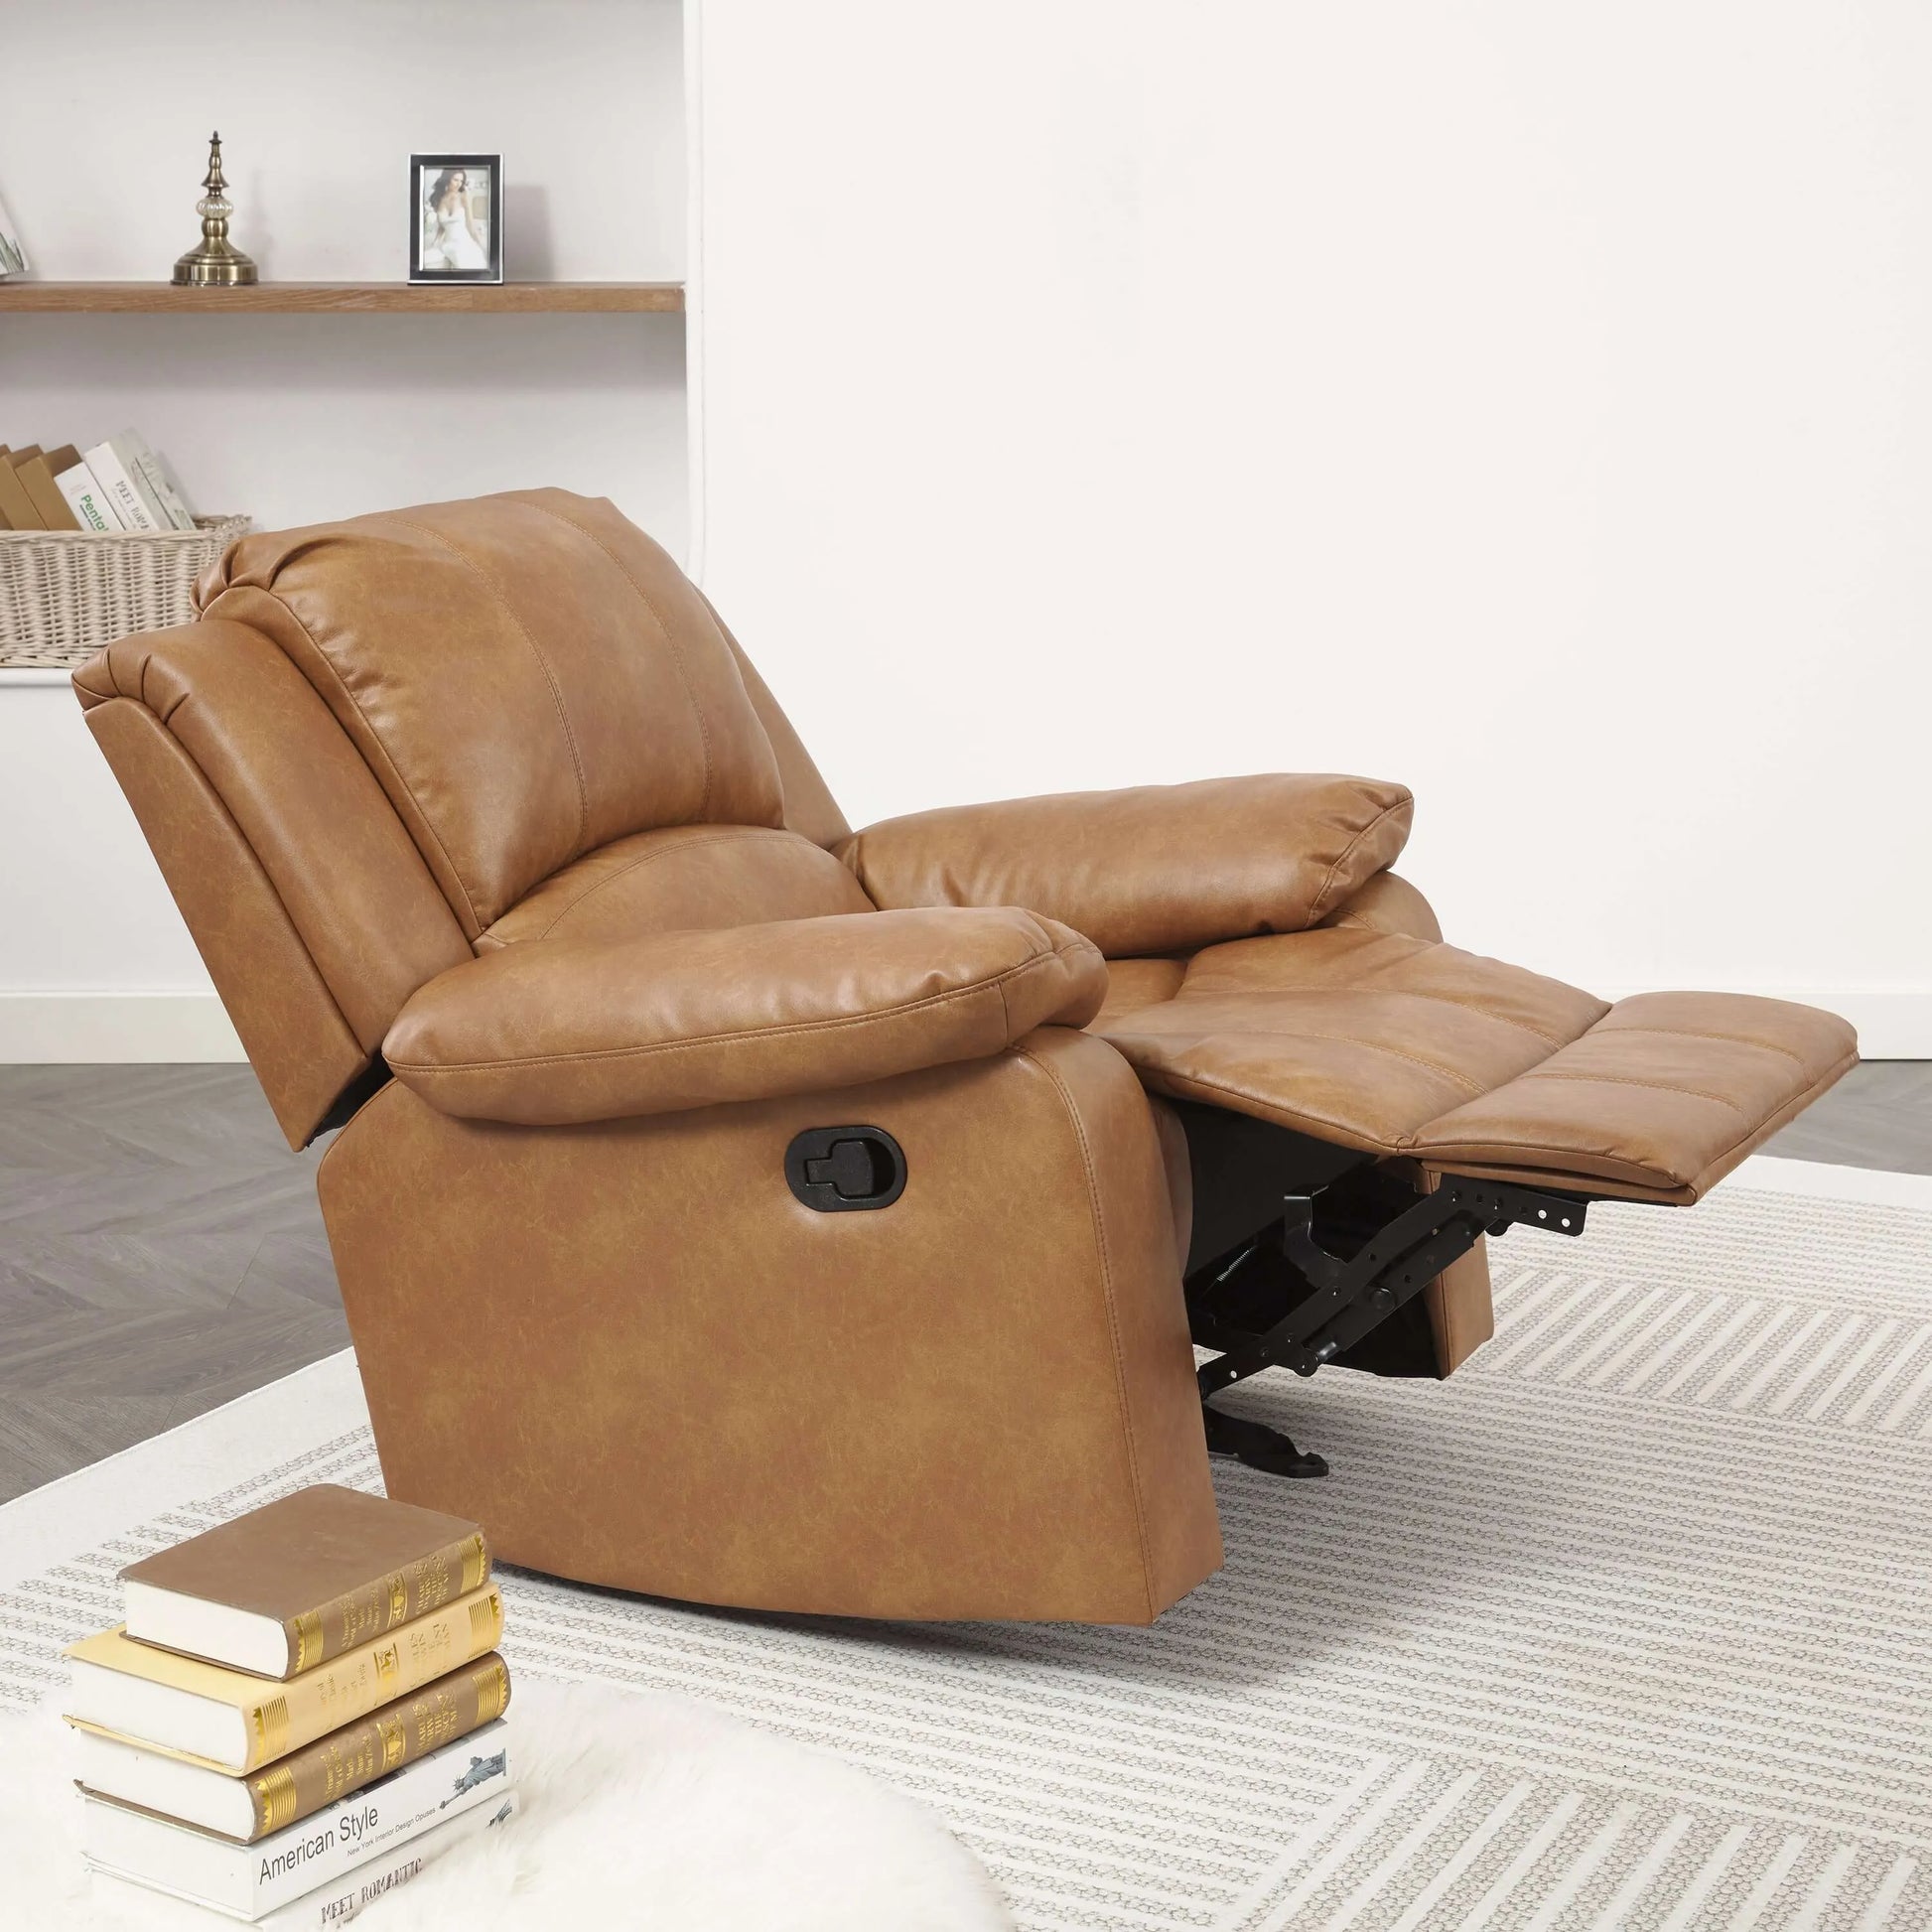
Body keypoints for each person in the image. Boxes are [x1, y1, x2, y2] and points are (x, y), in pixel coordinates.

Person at [422, 169, 488, 271]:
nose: (459, 184)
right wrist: (435, 242)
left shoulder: (463, 196)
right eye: (455, 180)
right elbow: (442, 227)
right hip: (447, 244)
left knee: (464, 260)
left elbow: (470, 226)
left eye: (461, 181)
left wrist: (483, 247)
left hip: (463, 242)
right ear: (447, 179)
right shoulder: (438, 198)